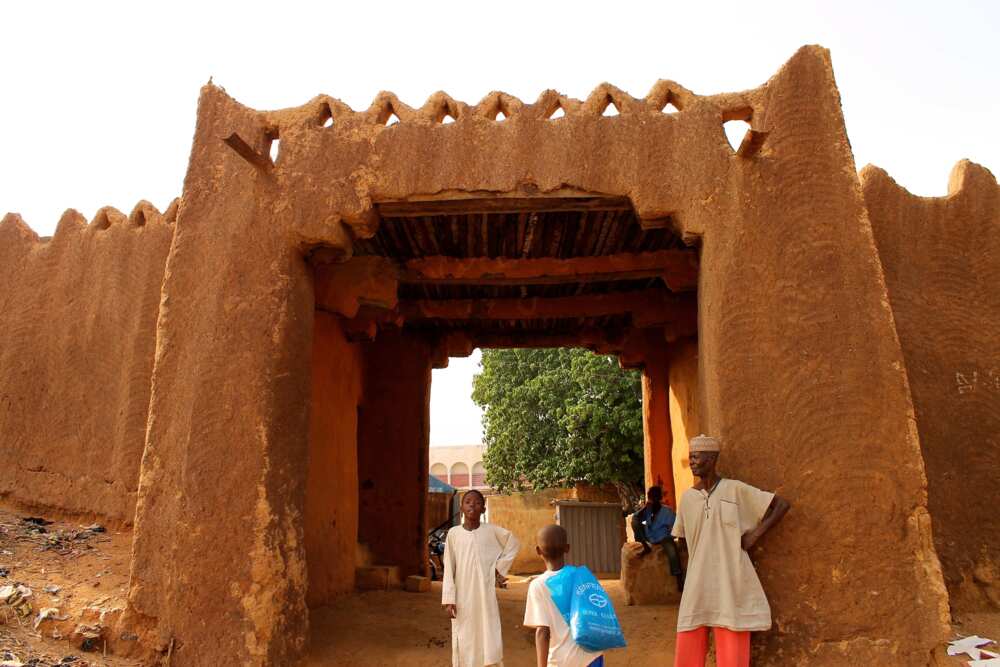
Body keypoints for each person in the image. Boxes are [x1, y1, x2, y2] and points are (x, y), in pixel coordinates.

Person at [672, 434, 790, 667]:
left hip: (731, 583)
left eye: (696, 457)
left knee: (733, 654)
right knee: (687, 648)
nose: (692, 462)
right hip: (697, 586)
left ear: (712, 458)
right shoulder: (687, 499)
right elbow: (683, 542)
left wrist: (756, 534)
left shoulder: (734, 490)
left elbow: (781, 505)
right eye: (690, 457)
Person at [442, 489, 520, 667]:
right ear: (461, 508)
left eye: (477, 502)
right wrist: (449, 598)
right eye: (468, 501)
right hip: (463, 596)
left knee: (488, 631)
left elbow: (513, 543)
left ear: (483, 509)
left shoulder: (491, 531)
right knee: (465, 634)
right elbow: (449, 568)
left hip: (485, 595)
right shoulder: (454, 534)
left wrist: (499, 570)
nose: (472, 505)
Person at [523, 525, 605, 667]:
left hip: (562, 660)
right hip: (592, 655)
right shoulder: (582, 576)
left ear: (538, 551)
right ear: (567, 548)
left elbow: (542, 632)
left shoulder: (538, 585)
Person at [630, 485, 683, 591]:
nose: (652, 501)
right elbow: (636, 518)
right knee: (634, 522)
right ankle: (646, 547)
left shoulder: (667, 511)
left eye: (654, 498)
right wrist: (645, 508)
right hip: (649, 536)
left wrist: (671, 536)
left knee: (672, 551)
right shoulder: (647, 510)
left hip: (663, 537)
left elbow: (677, 525)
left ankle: (679, 577)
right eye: (650, 498)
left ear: (659, 499)